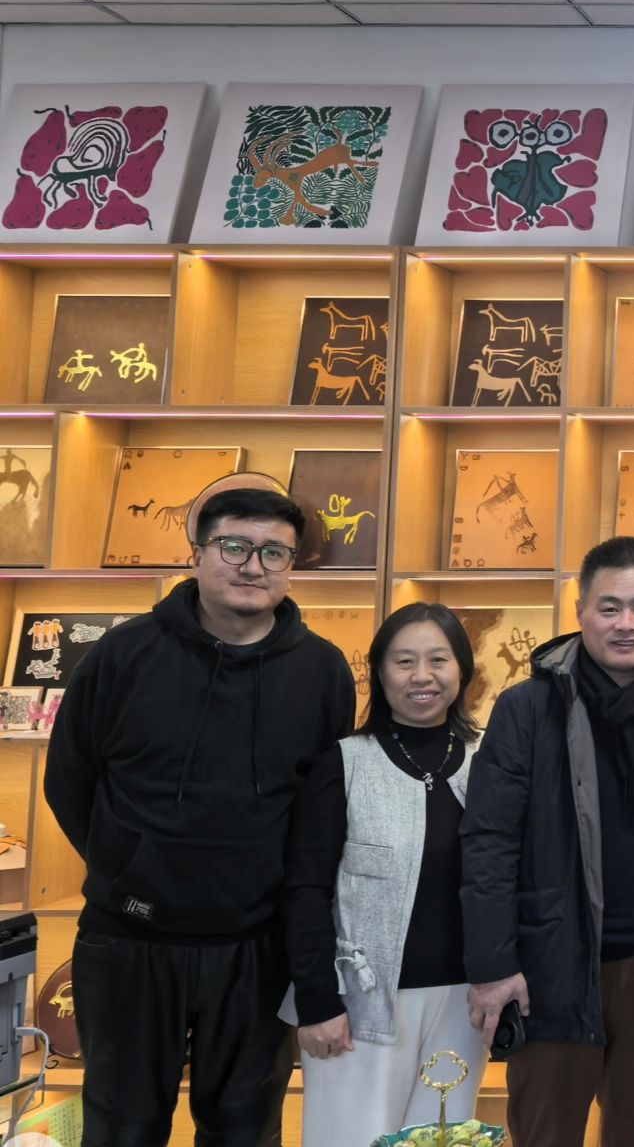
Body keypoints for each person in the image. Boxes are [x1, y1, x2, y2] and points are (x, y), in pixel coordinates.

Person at [43, 488, 356, 1145]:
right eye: (234, 546)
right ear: (197, 553)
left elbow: (321, 811)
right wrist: (127, 867)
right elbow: (70, 779)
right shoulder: (123, 654)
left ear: (291, 565)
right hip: (129, 941)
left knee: (245, 1129)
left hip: (256, 946)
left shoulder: (322, 670)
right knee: (122, 1127)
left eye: (274, 552)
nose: (253, 566)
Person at [461, 537, 634, 1145]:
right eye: (609, 608)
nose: (626, 624)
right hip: (550, 963)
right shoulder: (527, 707)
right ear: (580, 610)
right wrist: (494, 965)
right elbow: (489, 841)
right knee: (544, 1132)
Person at [284, 602, 488, 1147]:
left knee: (445, 1138)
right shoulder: (346, 762)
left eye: (438, 660)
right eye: (404, 661)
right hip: (358, 1006)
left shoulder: (488, 758)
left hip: (463, 1003)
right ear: (378, 672)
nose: (422, 676)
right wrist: (317, 1000)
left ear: (462, 669)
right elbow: (306, 890)